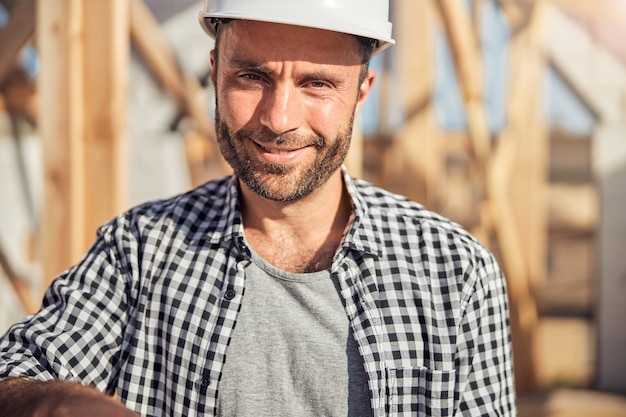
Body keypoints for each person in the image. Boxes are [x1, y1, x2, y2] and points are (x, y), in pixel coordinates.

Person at [0, 0, 517, 416]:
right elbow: (16, 372)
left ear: (362, 93)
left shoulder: (454, 273)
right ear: (214, 72)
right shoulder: (139, 251)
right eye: (251, 76)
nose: (278, 118)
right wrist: (60, 404)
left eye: (317, 83)